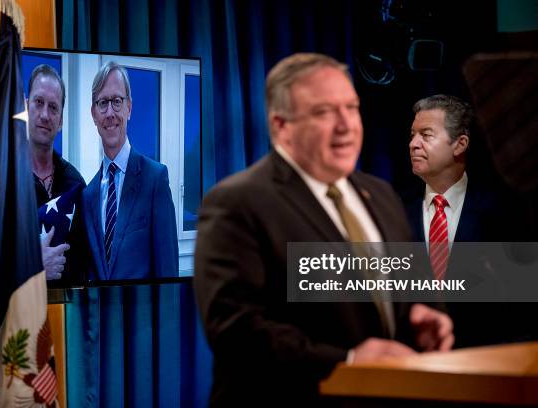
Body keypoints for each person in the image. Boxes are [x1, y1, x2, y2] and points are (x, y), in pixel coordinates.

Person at [193, 53, 454, 406]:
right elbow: (236, 331)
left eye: (351, 107)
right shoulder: (236, 202)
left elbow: (408, 283)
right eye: (324, 112)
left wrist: (421, 313)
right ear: (280, 126)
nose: (346, 125)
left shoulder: (380, 193)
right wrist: (347, 362)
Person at [407, 94, 515, 347]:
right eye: (412, 135)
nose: (413, 144)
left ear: (460, 144)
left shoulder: (504, 211)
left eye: (426, 135)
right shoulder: (394, 208)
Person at [0, 64, 85, 283]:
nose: (45, 114)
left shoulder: (75, 183)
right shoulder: (4, 183)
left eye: (53, 107)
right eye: (39, 102)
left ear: (61, 120)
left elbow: (84, 264)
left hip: (66, 314)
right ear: (26, 108)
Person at [81, 61, 178, 280]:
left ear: (129, 108)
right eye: (102, 103)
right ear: (93, 114)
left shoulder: (155, 179)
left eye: (116, 101)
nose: (110, 113)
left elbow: (168, 274)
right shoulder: (88, 196)